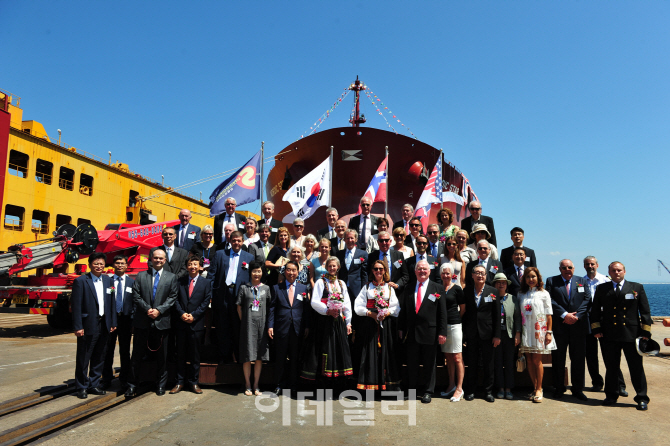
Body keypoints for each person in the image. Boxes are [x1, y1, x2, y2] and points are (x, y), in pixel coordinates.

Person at [591, 261, 652, 411]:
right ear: (609, 273)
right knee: (611, 368)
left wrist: (645, 332)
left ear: (624, 271)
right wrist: (596, 329)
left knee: (636, 368)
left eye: (619, 270)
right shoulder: (602, 288)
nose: (616, 273)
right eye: (613, 271)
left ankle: (641, 398)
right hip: (609, 334)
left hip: (632, 334)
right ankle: (611, 395)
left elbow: (644, 311)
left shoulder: (636, 287)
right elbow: (595, 311)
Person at [126, 248, 178, 397]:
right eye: (156, 258)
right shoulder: (141, 276)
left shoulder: (171, 277)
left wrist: (159, 310)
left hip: (162, 321)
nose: (158, 260)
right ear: (151, 259)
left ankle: (160, 385)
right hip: (143, 320)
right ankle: (132, 385)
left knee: (163, 357)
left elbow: (172, 297)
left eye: (161, 258)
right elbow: (136, 295)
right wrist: (148, 309)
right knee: (136, 355)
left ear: (165, 260)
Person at [398, 260, 447, 404]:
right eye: (419, 269)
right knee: (412, 363)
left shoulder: (437, 288)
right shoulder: (409, 287)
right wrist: (401, 328)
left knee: (429, 364)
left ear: (430, 271)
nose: (422, 271)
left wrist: (442, 332)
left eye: (425, 269)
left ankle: (427, 391)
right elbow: (404, 311)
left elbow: (442, 313)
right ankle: (412, 391)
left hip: (430, 333)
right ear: (415, 271)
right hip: (412, 332)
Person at [71, 253, 117, 399]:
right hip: (88, 324)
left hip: (104, 324)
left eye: (101, 264)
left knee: (99, 356)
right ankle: (82, 386)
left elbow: (112, 303)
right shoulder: (81, 281)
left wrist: (113, 322)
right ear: (90, 264)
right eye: (96, 263)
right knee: (84, 357)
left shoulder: (109, 281)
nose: (99, 266)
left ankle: (94, 384)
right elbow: (76, 306)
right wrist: (78, 326)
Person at [546, 259, 591, 401]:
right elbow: (549, 299)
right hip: (560, 326)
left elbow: (587, 300)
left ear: (574, 268)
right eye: (564, 267)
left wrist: (577, 316)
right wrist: (565, 314)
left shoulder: (581, 281)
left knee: (578, 360)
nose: (567, 269)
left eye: (570, 267)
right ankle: (559, 388)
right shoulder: (552, 281)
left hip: (578, 327)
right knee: (558, 359)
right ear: (560, 269)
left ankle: (578, 389)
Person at [354, 260, 401, 392]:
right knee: (370, 354)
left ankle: (387, 386)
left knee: (386, 354)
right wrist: (370, 314)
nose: (378, 271)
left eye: (381, 269)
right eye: (375, 269)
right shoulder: (367, 287)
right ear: (372, 271)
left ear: (385, 271)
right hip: (369, 324)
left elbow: (396, 307)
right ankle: (370, 386)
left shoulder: (389, 288)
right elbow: (358, 306)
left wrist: (387, 313)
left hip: (385, 325)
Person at [209, 231, 255, 364]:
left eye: (239, 240)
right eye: (234, 240)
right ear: (230, 240)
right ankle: (224, 357)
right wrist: (211, 295)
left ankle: (239, 357)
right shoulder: (219, 254)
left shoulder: (249, 257)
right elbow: (212, 275)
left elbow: (252, 279)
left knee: (237, 328)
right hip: (222, 295)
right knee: (222, 327)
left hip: (239, 297)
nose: (236, 243)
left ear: (242, 241)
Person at [582, 256, 625, 394]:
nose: (590, 266)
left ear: (597, 265)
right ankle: (597, 382)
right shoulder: (581, 282)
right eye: (587, 264)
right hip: (588, 319)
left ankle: (619, 385)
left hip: (605, 320)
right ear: (584, 266)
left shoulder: (606, 280)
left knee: (609, 355)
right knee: (591, 354)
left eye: (592, 264)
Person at [171, 255, 212, 395]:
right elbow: (175, 299)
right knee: (180, 354)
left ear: (200, 266)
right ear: (187, 266)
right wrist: (182, 313)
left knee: (195, 355)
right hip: (181, 323)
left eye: (195, 264)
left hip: (196, 324)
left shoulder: (206, 283)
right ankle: (179, 382)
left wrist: (194, 315)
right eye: (190, 264)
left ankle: (194, 382)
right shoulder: (179, 281)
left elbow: (206, 302)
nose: (193, 267)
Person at [311, 257, 354, 387]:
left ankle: (338, 384)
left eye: (334, 266)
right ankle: (324, 383)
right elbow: (314, 301)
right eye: (330, 266)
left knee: (338, 350)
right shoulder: (320, 282)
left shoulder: (341, 283)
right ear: (326, 267)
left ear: (338, 267)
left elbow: (346, 303)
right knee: (325, 350)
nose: (332, 268)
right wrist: (327, 310)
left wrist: (348, 322)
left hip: (338, 322)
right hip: (324, 321)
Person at [269, 261, 310, 395]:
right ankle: (279, 385)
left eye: (294, 270)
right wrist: (270, 326)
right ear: (284, 272)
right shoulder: (276, 288)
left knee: (294, 358)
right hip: (281, 327)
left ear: (298, 272)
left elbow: (306, 310)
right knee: (280, 358)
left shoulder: (303, 288)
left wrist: (307, 326)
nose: (291, 273)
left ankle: (293, 385)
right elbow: (272, 309)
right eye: (288, 270)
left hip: (297, 328)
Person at [462, 264, 500, 402]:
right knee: (471, 363)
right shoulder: (466, 291)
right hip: (471, 333)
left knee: (488, 364)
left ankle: (488, 391)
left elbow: (497, 315)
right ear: (472, 275)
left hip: (488, 334)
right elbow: (464, 314)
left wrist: (497, 335)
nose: (480, 275)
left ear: (486, 276)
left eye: (482, 273)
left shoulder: (493, 291)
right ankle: (471, 390)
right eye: (477, 273)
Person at [518, 267, 556, 403]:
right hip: (525, 331)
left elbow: (549, 315)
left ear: (538, 278)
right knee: (528, 360)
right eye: (528, 277)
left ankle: (540, 388)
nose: (531, 279)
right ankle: (534, 387)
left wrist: (549, 333)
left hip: (539, 330)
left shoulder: (544, 293)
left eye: (533, 276)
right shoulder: (521, 294)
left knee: (537, 360)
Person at [236, 262, 271, 396]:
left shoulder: (266, 288)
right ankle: (248, 384)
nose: (257, 274)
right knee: (247, 356)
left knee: (259, 356)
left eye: (259, 271)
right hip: (248, 325)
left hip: (262, 326)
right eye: (254, 271)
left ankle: (256, 384)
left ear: (262, 273)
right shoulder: (244, 287)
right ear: (250, 272)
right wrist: (244, 320)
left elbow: (269, 307)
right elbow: (238, 306)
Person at [101, 255, 134, 390]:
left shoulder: (132, 282)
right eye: (117, 263)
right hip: (110, 320)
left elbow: (134, 302)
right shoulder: (107, 282)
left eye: (122, 263)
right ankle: (106, 379)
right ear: (113, 265)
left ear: (126, 266)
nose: (120, 265)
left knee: (125, 351)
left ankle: (124, 379)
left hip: (125, 320)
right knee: (108, 350)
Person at [438, 263, 465, 402]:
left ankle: (459, 389)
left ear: (452, 274)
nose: (446, 275)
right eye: (443, 273)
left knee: (457, 357)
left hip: (454, 325)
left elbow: (463, 308)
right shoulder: (438, 288)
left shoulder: (457, 288)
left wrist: (456, 320)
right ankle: (451, 385)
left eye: (448, 273)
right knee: (448, 358)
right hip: (442, 327)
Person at [492, 273, 521, 400]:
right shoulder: (491, 298)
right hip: (496, 336)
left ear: (507, 285)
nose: (501, 284)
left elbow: (517, 318)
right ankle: (500, 388)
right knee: (498, 362)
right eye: (498, 282)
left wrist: (518, 334)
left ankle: (508, 389)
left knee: (509, 363)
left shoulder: (513, 299)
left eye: (503, 282)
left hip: (509, 335)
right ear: (494, 284)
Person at [335, 229, 368, 313]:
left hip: (357, 289)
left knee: (357, 313)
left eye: (352, 238)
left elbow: (364, 273)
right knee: (344, 311)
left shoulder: (362, 254)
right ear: (344, 240)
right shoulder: (339, 254)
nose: (350, 240)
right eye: (347, 238)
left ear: (356, 239)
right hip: (343, 288)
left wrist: (364, 289)